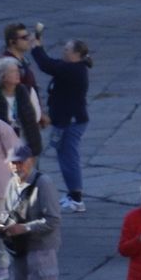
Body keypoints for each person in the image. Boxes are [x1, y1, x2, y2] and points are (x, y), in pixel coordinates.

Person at [1, 145, 59, 280]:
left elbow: (53, 220)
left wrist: (24, 228)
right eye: (13, 162)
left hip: (41, 251)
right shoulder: (11, 184)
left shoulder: (44, 183)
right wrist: (2, 225)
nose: (17, 166)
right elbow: (9, 213)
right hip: (18, 250)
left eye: (20, 162)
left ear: (31, 161)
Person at [29, 34, 89, 213]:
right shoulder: (73, 67)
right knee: (65, 157)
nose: (64, 51)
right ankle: (72, 194)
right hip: (65, 120)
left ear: (77, 54)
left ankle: (77, 198)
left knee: (69, 158)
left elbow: (47, 65)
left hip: (70, 122)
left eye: (67, 50)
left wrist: (36, 47)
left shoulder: (74, 70)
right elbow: (53, 64)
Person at [0, 61, 39, 156]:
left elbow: (35, 117)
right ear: (3, 76)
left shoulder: (27, 92)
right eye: (13, 71)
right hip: (2, 148)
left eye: (18, 71)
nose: (18, 73)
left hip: (25, 144)